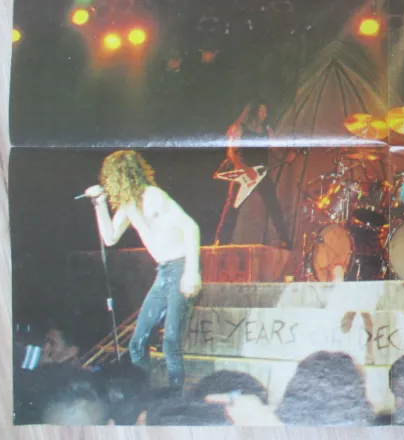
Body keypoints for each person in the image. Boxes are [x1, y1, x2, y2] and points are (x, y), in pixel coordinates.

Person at [83, 150, 201, 391]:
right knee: (137, 343)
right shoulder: (129, 206)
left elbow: (191, 227)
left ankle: (175, 396)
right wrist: (99, 204)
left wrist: (192, 271)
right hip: (164, 272)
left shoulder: (154, 196)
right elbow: (110, 238)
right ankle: (142, 394)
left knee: (171, 341)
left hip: (180, 267)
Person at [215, 99, 293, 248]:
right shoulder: (240, 129)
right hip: (243, 174)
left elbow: (275, 150)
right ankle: (222, 240)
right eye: (261, 111)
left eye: (265, 111)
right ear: (254, 112)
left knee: (273, 205)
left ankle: (285, 239)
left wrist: (287, 157)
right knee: (233, 207)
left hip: (260, 174)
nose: (264, 114)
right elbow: (232, 153)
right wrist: (246, 169)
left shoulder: (267, 131)